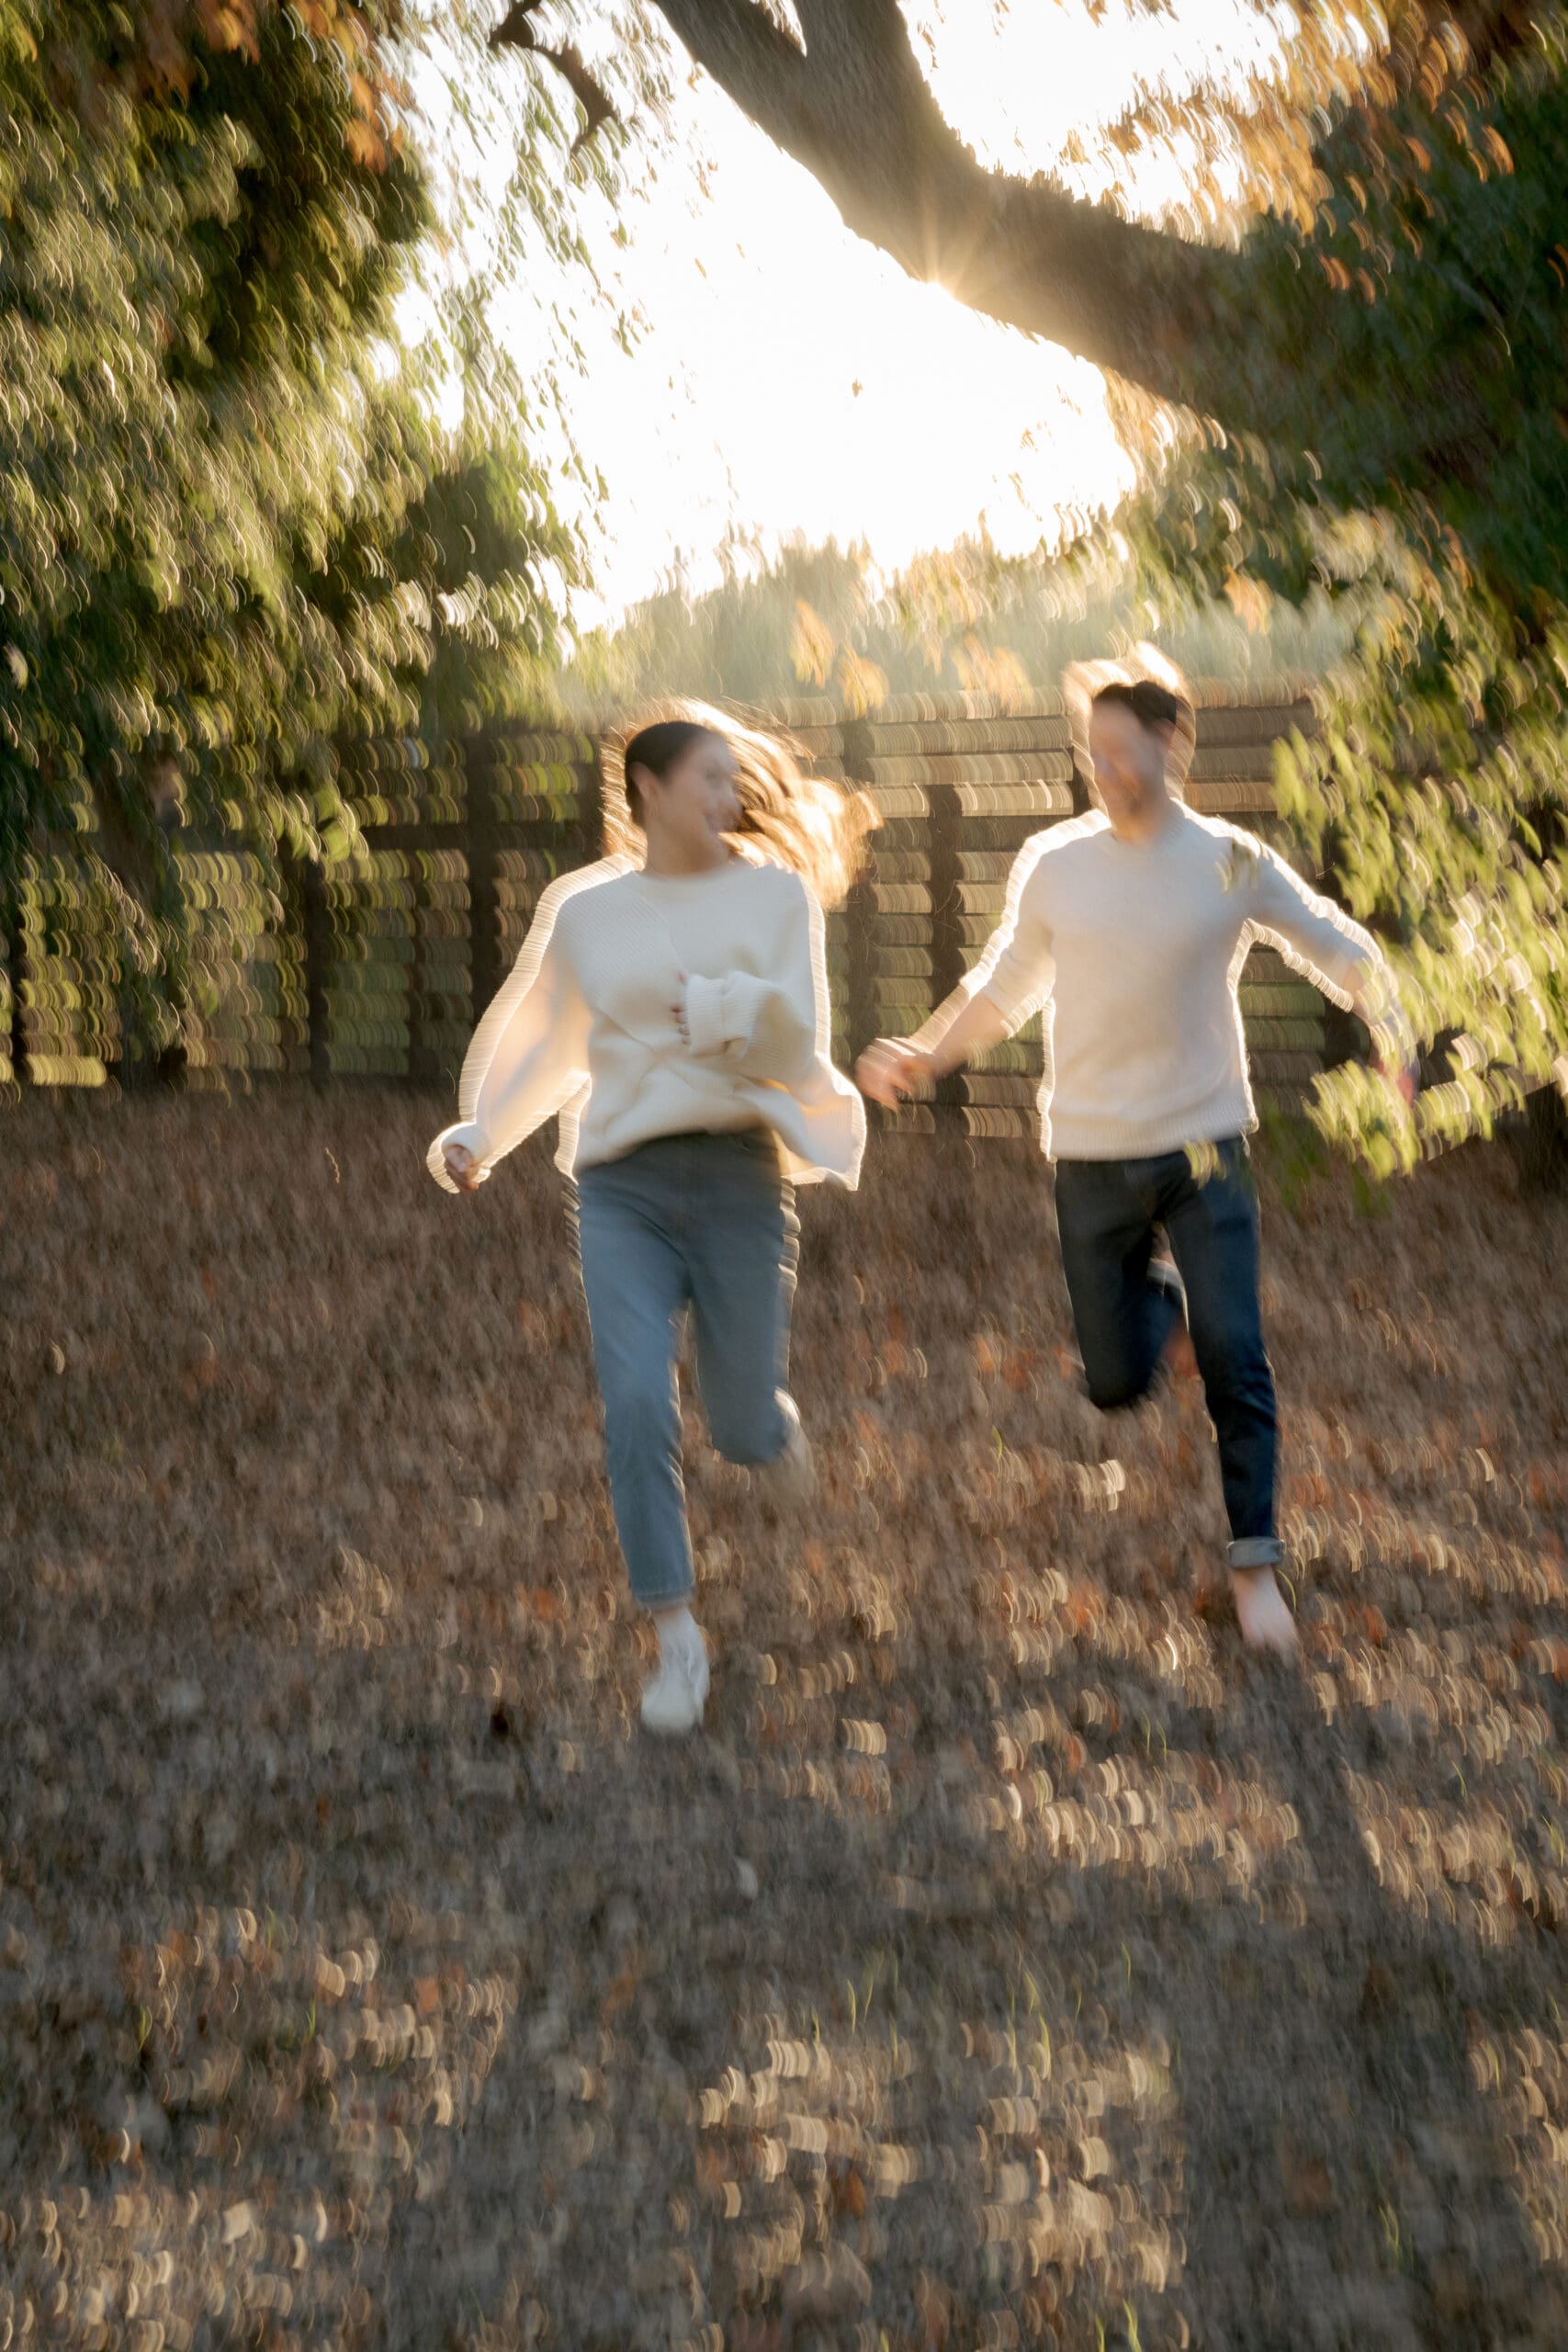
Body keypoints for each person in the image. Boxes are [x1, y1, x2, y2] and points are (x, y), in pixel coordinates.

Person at [857, 659, 1416, 1653]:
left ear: (1173, 745)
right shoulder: (1055, 864)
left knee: (1239, 1353)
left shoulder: (1230, 858)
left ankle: (1256, 1572)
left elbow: (1329, 940)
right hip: (1091, 1152)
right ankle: (1167, 1310)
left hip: (1203, 1145)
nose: (1105, 770)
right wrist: (926, 1051)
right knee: (1114, 1381)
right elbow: (1004, 984)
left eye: (1124, 751)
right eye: (1092, 752)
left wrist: (1389, 1025)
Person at [429, 708, 870, 1733]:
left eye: (733, 780)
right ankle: (677, 1639)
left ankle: (773, 1432)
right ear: (649, 792)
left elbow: (802, 1036)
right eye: (709, 779)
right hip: (621, 1185)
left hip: (738, 1179)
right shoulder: (584, 911)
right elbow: (542, 1036)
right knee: (634, 1404)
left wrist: (720, 1010)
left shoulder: (775, 896)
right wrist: (482, 1130)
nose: (729, 797)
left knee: (740, 1422)